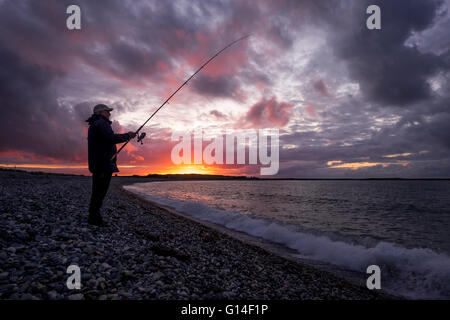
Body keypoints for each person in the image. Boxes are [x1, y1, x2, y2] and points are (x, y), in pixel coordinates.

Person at [86, 104, 136, 226]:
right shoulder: (101, 123)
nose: (109, 113)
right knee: (99, 192)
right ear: (101, 112)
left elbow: (106, 140)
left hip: (100, 163)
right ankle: (94, 219)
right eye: (108, 111)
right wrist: (127, 135)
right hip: (103, 164)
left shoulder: (95, 124)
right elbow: (111, 138)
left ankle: (94, 216)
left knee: (98, 191)